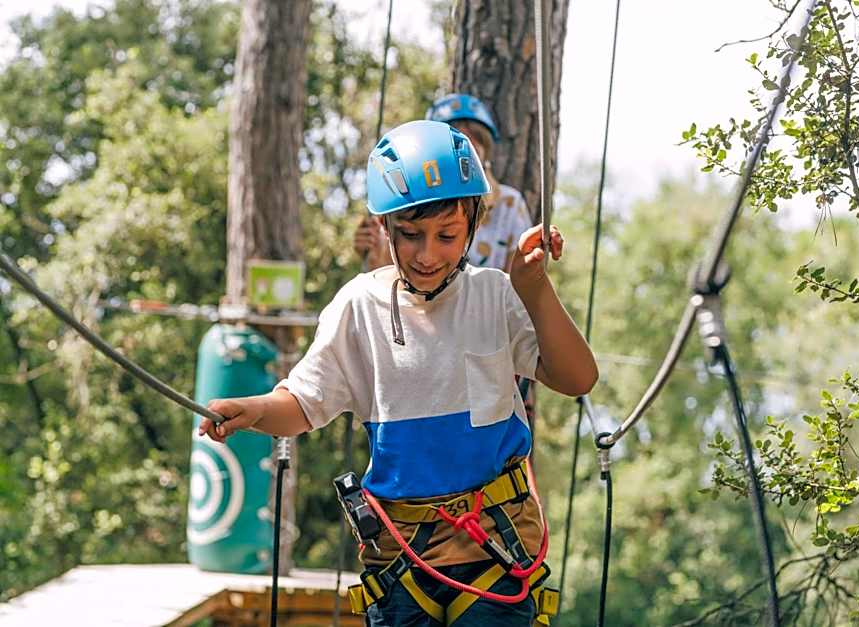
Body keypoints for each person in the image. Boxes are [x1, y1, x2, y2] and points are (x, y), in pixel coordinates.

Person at [199, 120, 597, 626]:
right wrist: (250, 410)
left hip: (495, 543)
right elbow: (302, 404)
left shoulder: (493, 295)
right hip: (403, 555)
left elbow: (577, 378)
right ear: (383, 227)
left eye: (446, 235)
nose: (427, 254)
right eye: (409, 236)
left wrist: (533, 287)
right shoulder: (358, 306)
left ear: (473, 225)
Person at [354, 93, 532, 274]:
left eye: (447, 235)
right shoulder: (409, 198)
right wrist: (374, 255)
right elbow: (393, 279)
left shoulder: (509, 204)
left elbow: (517, 279)